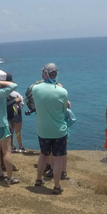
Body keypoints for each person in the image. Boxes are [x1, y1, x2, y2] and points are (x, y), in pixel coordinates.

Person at [31, 63, 69, 194]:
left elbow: (37, 91)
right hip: (59, 131)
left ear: (45, 73)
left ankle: (38, 179)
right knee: (57, 158)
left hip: (43, 130)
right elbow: (64, 109)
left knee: (43, 154)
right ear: (56, 74)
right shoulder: (63, 92)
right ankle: (57, 186)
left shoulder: (36, 89)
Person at [5, 72, 25, 152]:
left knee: (10, 132)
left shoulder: (3, 94)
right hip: (17, 114)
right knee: (18, 132)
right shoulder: (16, 94)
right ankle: (20, 146)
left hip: (7, 114)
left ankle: (12, 146)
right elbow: (21, 105)